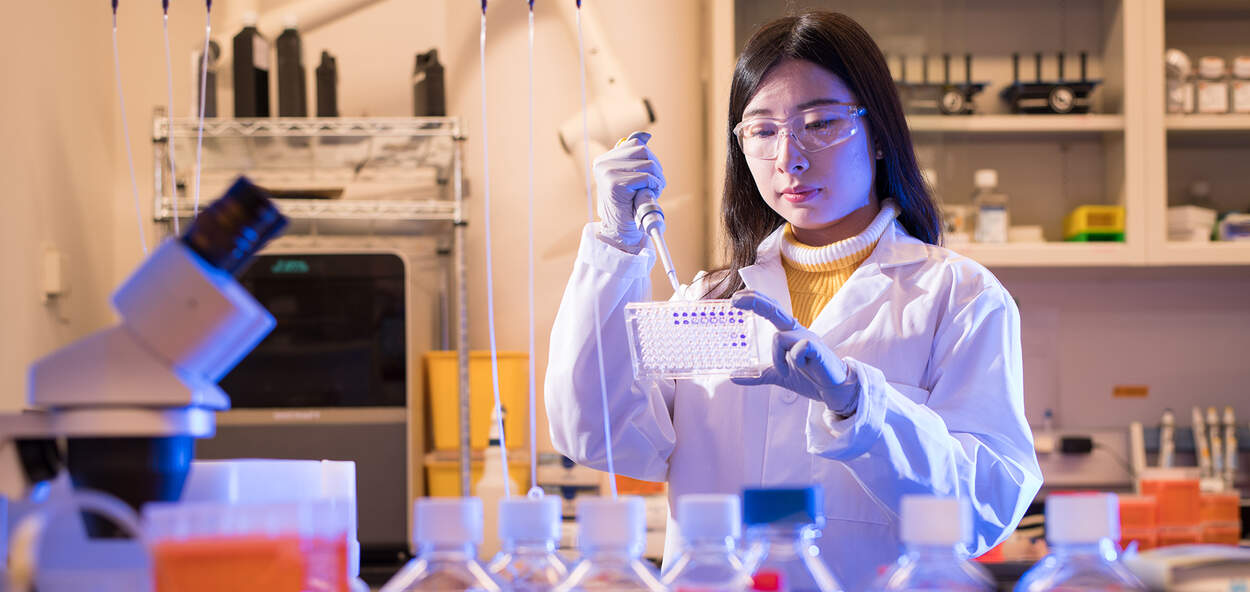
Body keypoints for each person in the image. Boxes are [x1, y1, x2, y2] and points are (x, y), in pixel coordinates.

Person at [544, 10, 1042, 590]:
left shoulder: (959, 298)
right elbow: (598, 434)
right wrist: (615, 245)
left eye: (821, 123)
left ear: (879, 135)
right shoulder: (709, 299)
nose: (789, 157)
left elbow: (984, 511)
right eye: (762, 130)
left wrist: (859, 403)